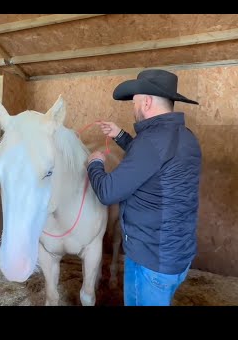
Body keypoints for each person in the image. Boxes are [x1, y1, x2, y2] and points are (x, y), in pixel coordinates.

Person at [86, 69, 202, 306]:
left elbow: (107, 192)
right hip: (176, 256)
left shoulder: (150, 142)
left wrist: (95, 165)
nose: (134, 107)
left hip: (150, 260)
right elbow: (154, 162)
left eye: (135, 101)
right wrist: (120, 136)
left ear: (147, 102)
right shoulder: (186, 136)